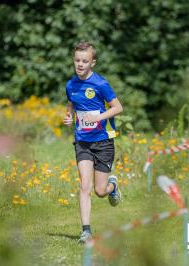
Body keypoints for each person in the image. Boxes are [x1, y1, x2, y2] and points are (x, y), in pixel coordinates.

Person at [63, 42, 123, 244]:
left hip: (103, 141)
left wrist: (98, 118)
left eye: (85, 61)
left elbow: (117, 108)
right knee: (84, 186)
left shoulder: (100, 84)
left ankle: (112, 186)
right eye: (77, 60)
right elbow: (72, 104)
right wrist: (69, 116)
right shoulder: (71, 84)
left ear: (92, 63)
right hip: (83, 142)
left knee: (99, 190)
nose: (80, 64)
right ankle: (86, 231)